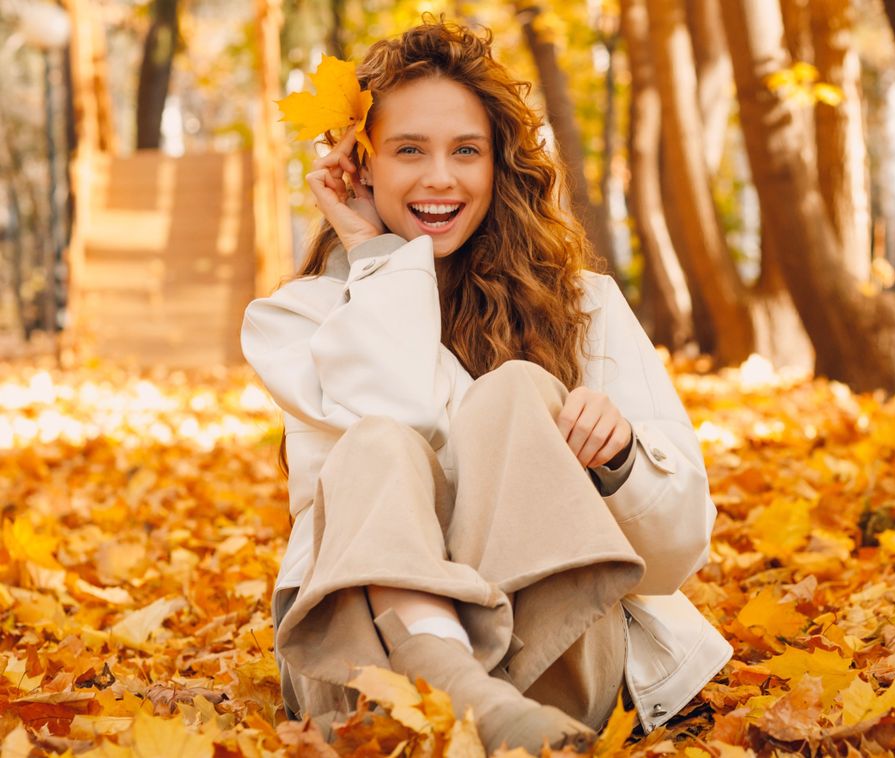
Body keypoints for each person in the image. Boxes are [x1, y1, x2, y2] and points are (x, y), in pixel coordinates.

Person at [240, 19, 730, 753]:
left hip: (560, 653)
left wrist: (621, 458)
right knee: (378, 442)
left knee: (516, 393)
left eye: (465, 151)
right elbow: (409, 417)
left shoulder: (584, 306)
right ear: (359, 166)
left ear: (499, 166)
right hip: (370, 678)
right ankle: (467, 695)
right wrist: (373, 256)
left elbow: (676, 555)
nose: (441, 177)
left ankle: (473, 706)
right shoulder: (302, 321)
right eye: (409, 151)